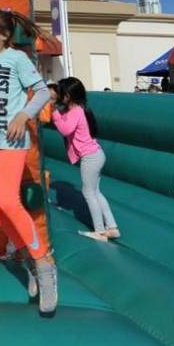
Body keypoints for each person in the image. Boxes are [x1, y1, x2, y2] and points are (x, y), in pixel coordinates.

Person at [0, 7, 58, 316]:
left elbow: (42, 93)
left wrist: (23, 114)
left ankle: (44, 263)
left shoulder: (17, 59)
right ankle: (27, 259)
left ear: (4, 34)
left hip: (12, 142)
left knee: (8, 201)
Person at [52, 77, 120, 242]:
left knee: (88, 193)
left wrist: (54, 112)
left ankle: (100, 231)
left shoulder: (75, 111)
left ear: (67, 96)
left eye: (61, 93)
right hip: (96, 154)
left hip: (90, 157)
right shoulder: (79, 109)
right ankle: (112, 228)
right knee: (95, 192)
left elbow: (65, 130)